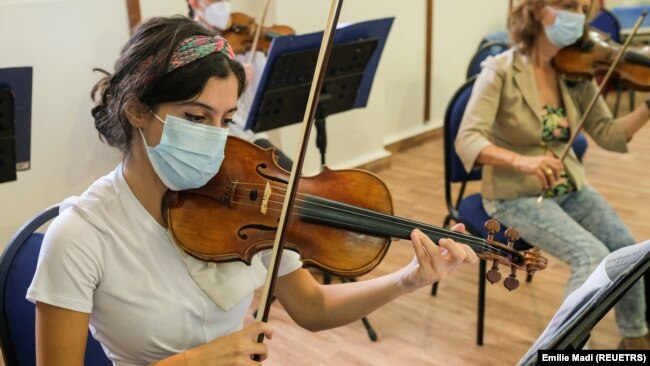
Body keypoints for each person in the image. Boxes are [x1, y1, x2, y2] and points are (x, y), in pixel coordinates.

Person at [27, 16, 477, 365]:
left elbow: (313, 305)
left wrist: (408, 280)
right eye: (196, 118)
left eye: (225, 120)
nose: (215, 138)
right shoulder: (80, 236)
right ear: (137, 111)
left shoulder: (245, 197)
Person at [456, 0, 650, 349]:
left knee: (627, 250)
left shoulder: (575, 71)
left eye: (581, 6)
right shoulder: (500, 70)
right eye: (566, 5)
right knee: (589, 255)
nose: (576, 15)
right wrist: (521, 161)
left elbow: (608, 132)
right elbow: (467, 140)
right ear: (536, 10)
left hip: (569, 186)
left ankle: (636, 340)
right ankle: (566, 350)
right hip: (513, 195)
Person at [187, 0, 293, 171]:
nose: (222, 3)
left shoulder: (245, 39)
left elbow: (262, 97)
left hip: (250, 137)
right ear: (194, 2)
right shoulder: (187, 44)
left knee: (296, 179)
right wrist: (233, 84)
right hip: (212, 143)